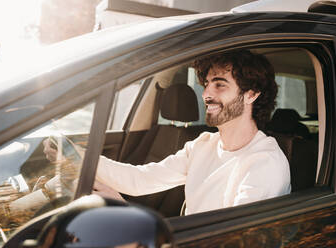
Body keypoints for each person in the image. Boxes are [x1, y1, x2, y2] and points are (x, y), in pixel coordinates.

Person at [45, 50, 291, 215]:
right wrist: (76, 155)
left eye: (219, 84)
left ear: (252, 94)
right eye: (206, 84)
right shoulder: (203, 144)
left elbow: (230, 239)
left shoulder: (264, 163)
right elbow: (140, 179)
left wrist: (126, 212)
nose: (206, 94)